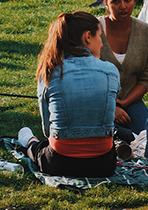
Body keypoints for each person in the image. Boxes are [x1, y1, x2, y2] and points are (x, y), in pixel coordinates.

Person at [16, 11, 119, 179]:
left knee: (38, 147)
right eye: (100, 37)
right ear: (87, 37)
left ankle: (29, 141)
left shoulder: (49, 72)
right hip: (103, 164)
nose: (101, 44)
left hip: (59, 163)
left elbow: (47, 130)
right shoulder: (111, 71)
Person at [98, 0, 148, 133]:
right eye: (115, 1)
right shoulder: (94, 31)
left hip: (131, 102)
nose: (123, 6)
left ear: (135, 1)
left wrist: (124, 103)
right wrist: (110, 107)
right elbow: (84, 76)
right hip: (96, 102)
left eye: (127, 0)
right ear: (106, 3)